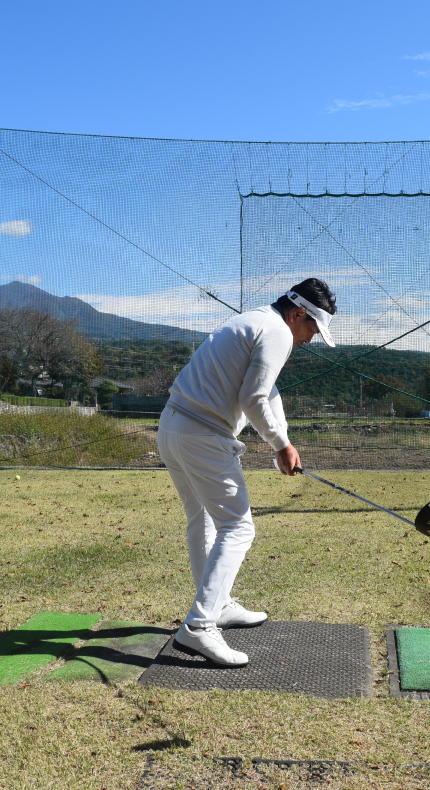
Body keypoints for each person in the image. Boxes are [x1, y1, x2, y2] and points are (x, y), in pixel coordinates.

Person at [157, 278, 337, 666]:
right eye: (312, 329)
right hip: (202, 434)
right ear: (298, 313)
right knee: (238, 528)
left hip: (172, 427)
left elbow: (268, 392)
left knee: (203, 520)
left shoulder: (256, 320)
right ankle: (199, 625)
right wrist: (281, 446)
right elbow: (252, 398)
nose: (310, 339)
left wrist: (283, 440)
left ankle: (218, 605)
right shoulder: (278, 332)